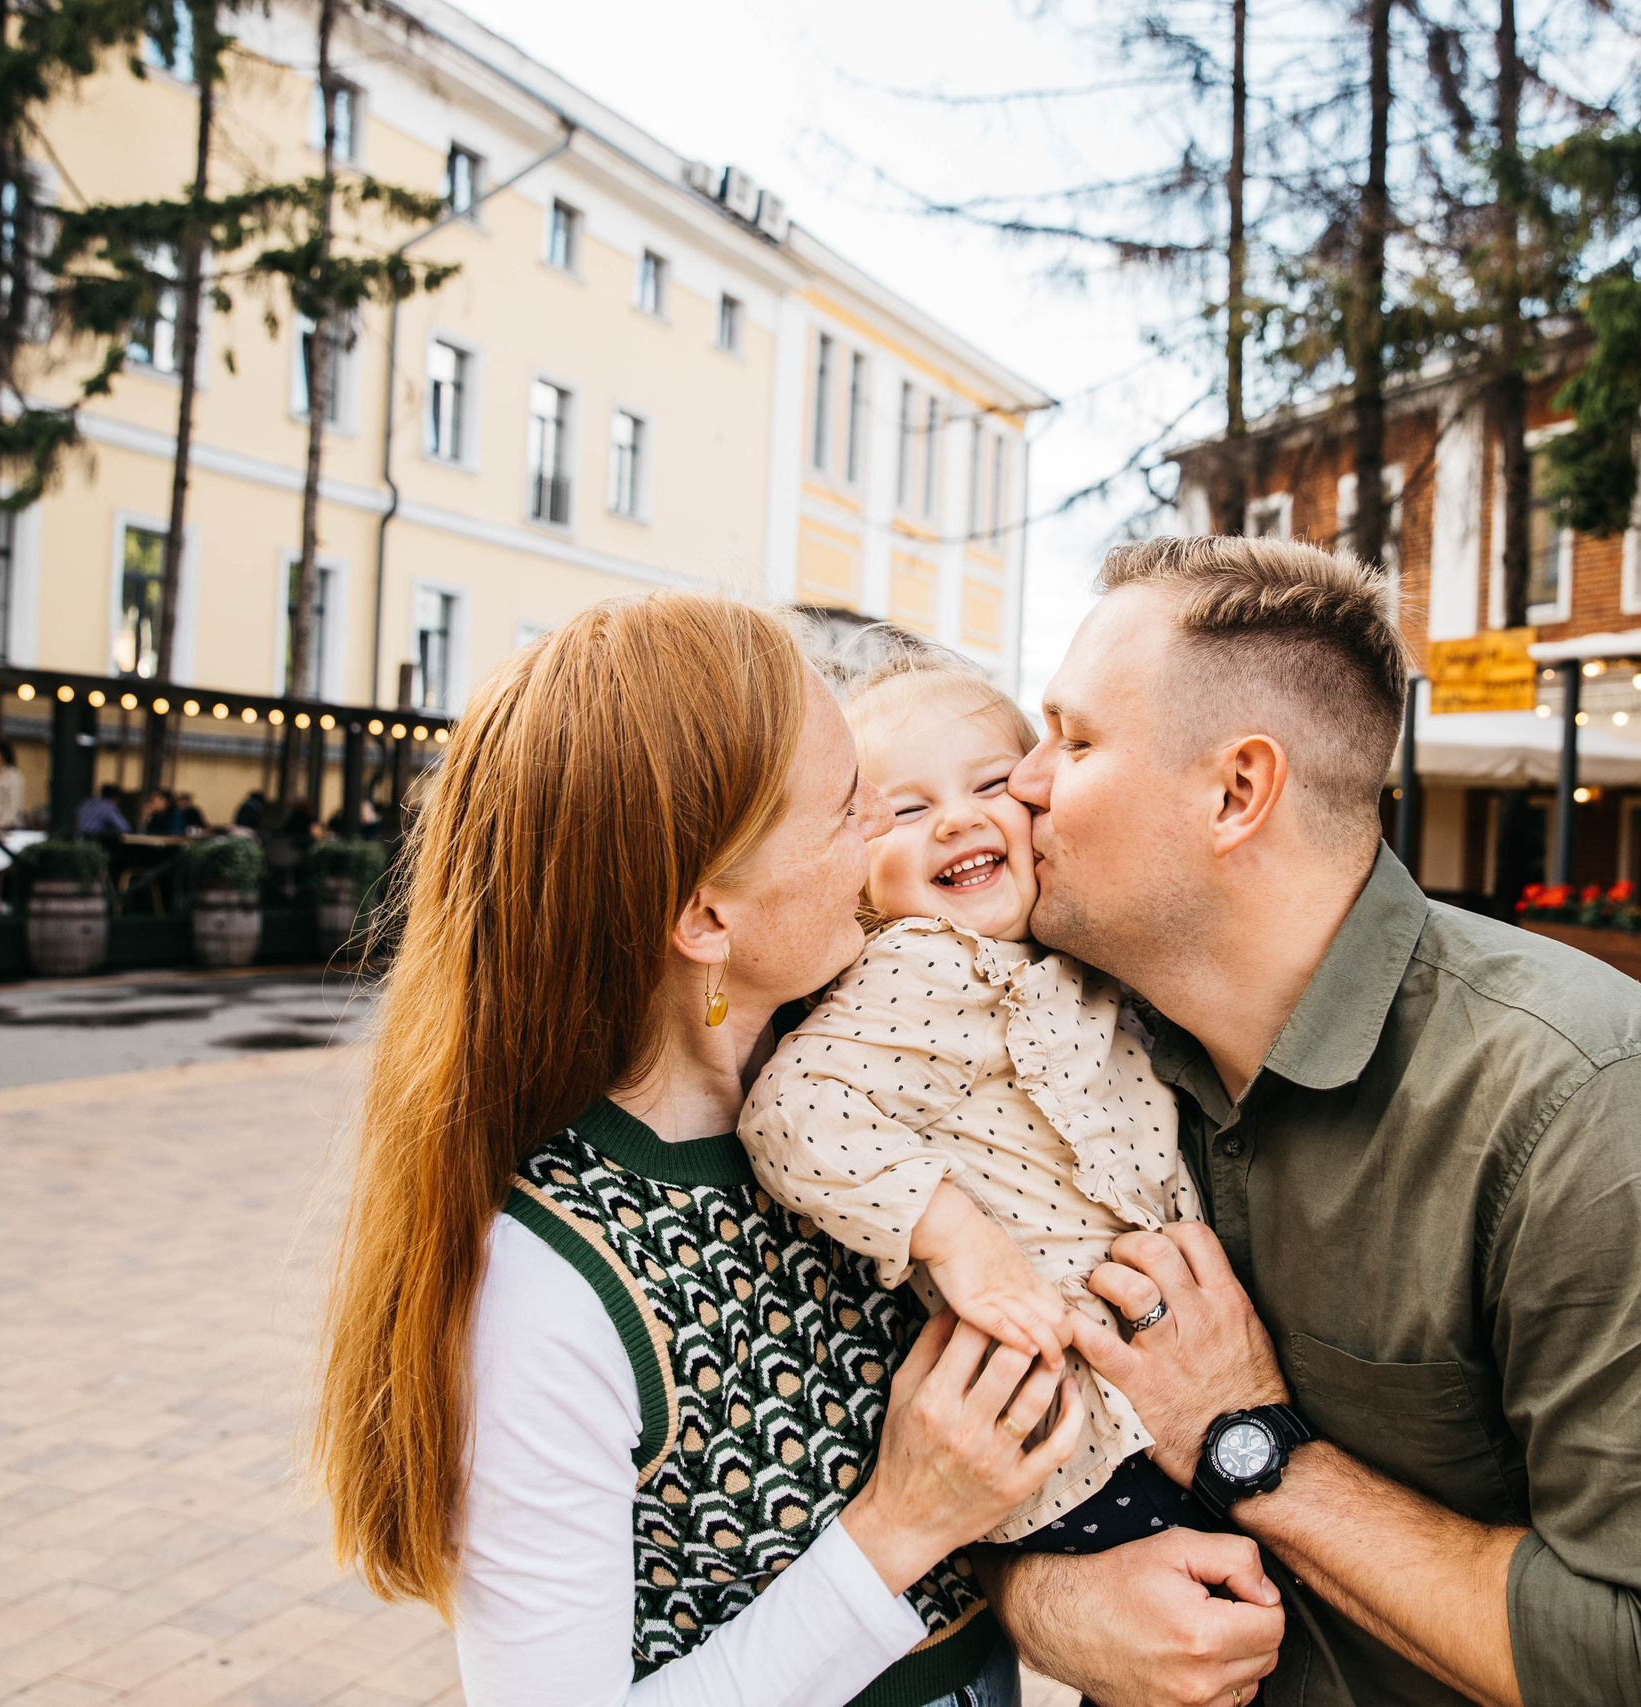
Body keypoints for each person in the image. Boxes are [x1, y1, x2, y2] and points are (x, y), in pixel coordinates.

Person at [309, 594, 1229, 1707]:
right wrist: (898, 1526)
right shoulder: (546, 1285)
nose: (885, 840)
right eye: (853, 809)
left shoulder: (871, 1091)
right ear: (706, 920)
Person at [985, 536, 1641, 1707]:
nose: (1023, 784)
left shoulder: (1589, 1104)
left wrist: (1249, 1441)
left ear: (1237, 791)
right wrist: (1043, 1603)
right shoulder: (1080, 1052)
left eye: (1074, 741)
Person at [742, 654, 1208, 1555]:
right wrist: (957, 1234)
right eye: (907, 809)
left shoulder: (1060, 953)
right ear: (860, 871)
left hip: (1144, 1395)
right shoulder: (919, 963)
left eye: (992, 783)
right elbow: (793, 1112)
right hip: (1075, 1428)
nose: (957, 817)